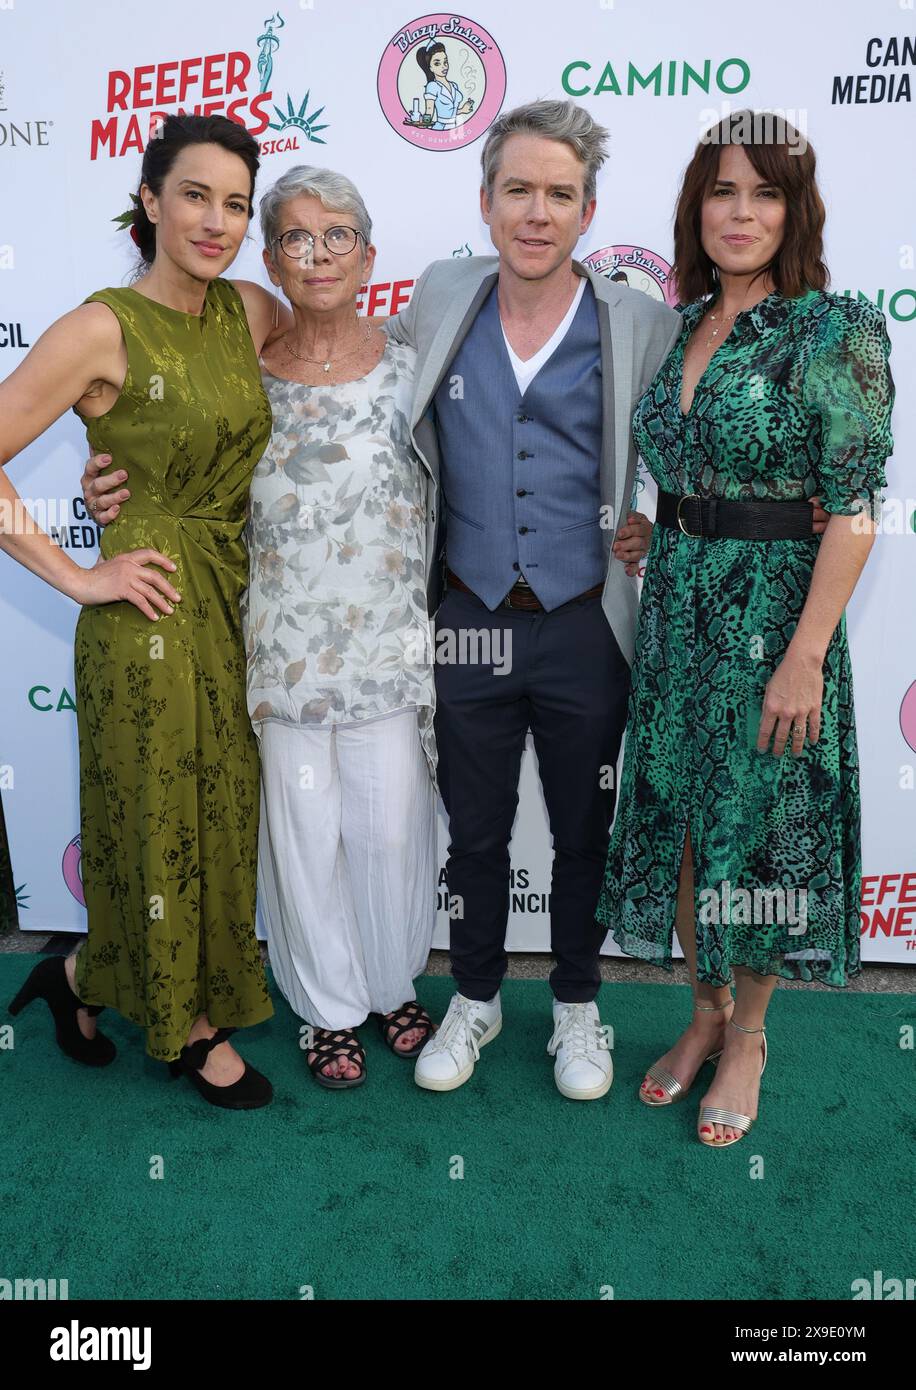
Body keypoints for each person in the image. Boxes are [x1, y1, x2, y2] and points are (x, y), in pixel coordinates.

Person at [82, 167, 440, 1090]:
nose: (315, 254)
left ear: (369, 254)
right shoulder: (245, 368)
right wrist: (106, 488)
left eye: (336, 237)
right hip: (272, 645)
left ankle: (393, 984)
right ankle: (326, 1010)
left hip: (389, 648)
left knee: (391, 829)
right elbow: (171, 451)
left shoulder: (416, 363)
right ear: (271, 259)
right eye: (291, 236)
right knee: (301, 835)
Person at [595, 113, 894, 1146]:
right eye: (723, 192)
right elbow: (690, 466)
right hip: (676, 612)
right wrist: (659, 520)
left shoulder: (830, 328)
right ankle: (704, 1015)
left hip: (775, 623)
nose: (740, 212)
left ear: (793, 210)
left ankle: (753, 1034)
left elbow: (855, 505)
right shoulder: (679, 326)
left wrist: (805, 653)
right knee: (683, 826)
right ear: (696, 206)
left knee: (761, 839)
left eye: (764, 193)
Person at [385, 99, 681, 1100]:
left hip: (581, 620)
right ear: (486, 200)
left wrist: (664, 521)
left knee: (579, 829)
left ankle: (576, 1006)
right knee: (472, 827)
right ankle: (472, 998)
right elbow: (344, 396)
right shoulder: (439, 296)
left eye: (560, 193)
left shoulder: (638, 320)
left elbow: (695, 438)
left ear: (588, 210)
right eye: (519, 189)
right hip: (465, 614)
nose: (537, 211)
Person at [4, 114, 287, 1109]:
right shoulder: (102, 326)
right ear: (150, 200)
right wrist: (83, 572)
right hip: (148, 613)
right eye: (197, 195)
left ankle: (76, 976)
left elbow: (328, 376)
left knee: (219, 815)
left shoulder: (249, 310)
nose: (217, 220)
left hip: (234, 600)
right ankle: (188, 1029)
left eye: (237, 205)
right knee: (159, 816)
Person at [417, 40, 473, 130]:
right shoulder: (432, 86)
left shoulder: (454, 85)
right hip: (440, 128)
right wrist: (421, 122)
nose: (444, 66)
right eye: (437, 63)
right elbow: (429, 111)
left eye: (445, 62)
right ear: (430, 67)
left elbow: (450, 112)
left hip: (454, 128)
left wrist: (463, 110)